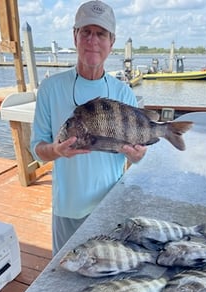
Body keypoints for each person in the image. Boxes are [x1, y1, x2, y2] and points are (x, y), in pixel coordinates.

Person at [31, 0, 147, 256]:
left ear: (111, 42)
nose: (92, 40)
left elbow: (135, 155)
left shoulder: (124, 93)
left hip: (110, 206)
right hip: (68, 207)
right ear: (75, 36)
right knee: (64, 272)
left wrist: (137, 156)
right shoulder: (51, 89)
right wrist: (56, 150)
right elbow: (37, 150)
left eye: (101, 34)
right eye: (86, 32)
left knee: (108, 275)